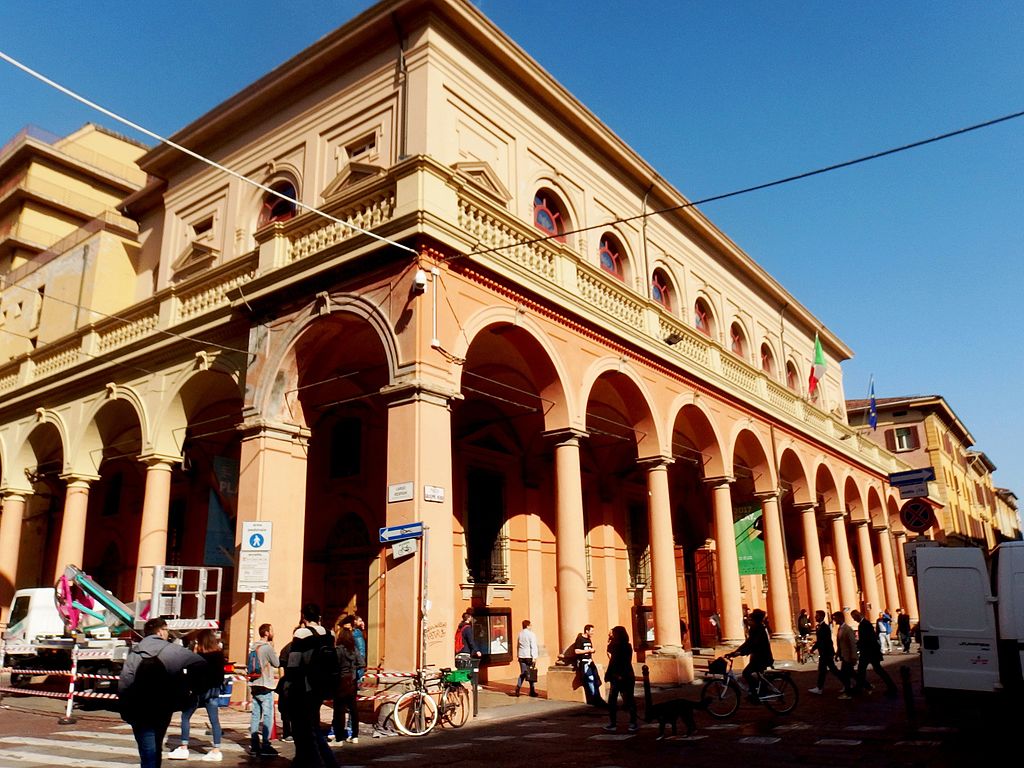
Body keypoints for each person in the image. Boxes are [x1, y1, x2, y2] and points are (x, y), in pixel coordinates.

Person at [119, 617, 206, 768]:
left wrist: (124, 705)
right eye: (166, 630)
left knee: (146, 748)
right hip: (163, 704)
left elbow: (125, 681)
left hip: (139, 705)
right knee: (157, 743)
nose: (167, 634)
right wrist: (191, 688)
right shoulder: (172, 650)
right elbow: (201, 664)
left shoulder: (135, 652)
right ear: (160, 631)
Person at [283, 603, 338, 768]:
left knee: (304, 728)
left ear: (304, 617)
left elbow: (294, 662)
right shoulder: (330, 634)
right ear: (319, 617)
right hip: (322, 686)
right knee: (313, 724)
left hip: (303, 686)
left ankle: (315, 761)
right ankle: (324, 761)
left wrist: (288, 685)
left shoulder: (301, 633)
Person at [169, 629, 226, 762]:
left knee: (185, 717)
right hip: (212, 692)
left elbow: (191, 675)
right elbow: (220, 676)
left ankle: (184, 747)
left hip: (198, 692)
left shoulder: (197, 656)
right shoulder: (218, 655)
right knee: (214, 721)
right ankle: (216, 750)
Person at [248, 623, 280, 757]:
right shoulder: (267, 648)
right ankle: (266, 744)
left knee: (255, 715)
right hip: (265, 684)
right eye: (271, 630)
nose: (273, 633)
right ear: (266, 633)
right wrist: (273, 649)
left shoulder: (253, 647)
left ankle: (254, 744)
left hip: (254, 683)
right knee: (268, 715)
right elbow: (276, 663)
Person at [727, 608, 773, 701]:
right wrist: (735, 652)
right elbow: (747, 643)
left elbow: (753, 644)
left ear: (755, 621)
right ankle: (758, 691)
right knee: (750, 674)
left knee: (746, 673)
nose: (748, 621)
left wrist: (741, 652)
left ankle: (757, 692)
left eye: (750, 619)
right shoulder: (754, 629)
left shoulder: (760, 630)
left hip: (763, 658)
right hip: (757, 657)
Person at [852, 609, 898, 697]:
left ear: (858, 615)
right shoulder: (864, 623)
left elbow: (867, 639)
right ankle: (860, 688)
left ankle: (892, 687)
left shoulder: (865, 624)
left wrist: (857, 645)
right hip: (869, 651)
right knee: (865, 670)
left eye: (854, 617)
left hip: (869, 652)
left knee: (873, 670)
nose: (854, 620)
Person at [602, 626, 639, 732]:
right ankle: (614, 723)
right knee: (613, 700)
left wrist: (619, 675)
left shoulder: (625, 646)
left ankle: (632, 722)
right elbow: (610, 656)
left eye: (614, 633)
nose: (612, 635)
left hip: (624, 675)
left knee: (628, 700)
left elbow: (621, 661)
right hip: (617, 676)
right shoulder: (619, 645)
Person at [331, 617, 361, 744]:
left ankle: (338, 738)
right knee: (353, 709)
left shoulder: (338, 650)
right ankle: (355, 736)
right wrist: (354, 670)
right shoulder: (354, 650)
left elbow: (333, 665)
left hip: (340, 682)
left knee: (339, 710)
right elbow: (362, 662)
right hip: (352, 682)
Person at [807, 610, 850, 696]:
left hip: (826, 653)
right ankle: (820, 688)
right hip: (825, 653)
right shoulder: (820, 626)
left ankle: (820, 688)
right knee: (826, 670)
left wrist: (814, 648)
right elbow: (820, 641)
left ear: (822, 617)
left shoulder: (824, 627)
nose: (815, 617)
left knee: (829, 670)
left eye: (817, 616)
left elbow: (824, 641)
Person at [573, 624, 605, 707]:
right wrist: (589, 650)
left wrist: (591, 651)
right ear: (586, 631)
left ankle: (598, 697)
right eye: (592, 631)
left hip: (590, 662)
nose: (593, 633)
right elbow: (576, 651)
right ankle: (595, 698)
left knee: (596, 679)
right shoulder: (580, 639)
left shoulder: (589, 639)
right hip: (584, 663)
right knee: (590, 679)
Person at [833, 612, 857, 700]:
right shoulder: (841, 628)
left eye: (835, 618)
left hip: (848, 656)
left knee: (845, 675)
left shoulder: (847, 629)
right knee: (852, 674)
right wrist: (837, 654)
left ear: (840, 618)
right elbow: (840, 644)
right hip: (844, 655)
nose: (834, 620)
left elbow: (852, 644)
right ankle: (867, 686)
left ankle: (848, 693)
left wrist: (854, 657)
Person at [515, 619, 539, 697]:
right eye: (530, 625)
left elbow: (518, 645)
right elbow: (533, 646)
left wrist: (518, 655)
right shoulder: (531, 634)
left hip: (521, 656)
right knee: (530, 673)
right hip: (529, 656)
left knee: (523, 673)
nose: (531, 626)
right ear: (528, 626)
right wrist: (534, 657)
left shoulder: (520, 634)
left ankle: (518, 687)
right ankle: (532, 691)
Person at [351, 615, 368, 685]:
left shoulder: (356, 631)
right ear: (355, 621)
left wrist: (363, 628)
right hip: (359, 656)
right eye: (360, 621)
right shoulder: (356, 632)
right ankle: (358, 684)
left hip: (354, 656)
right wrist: (362, 658)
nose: (362, 623)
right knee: (359, 671)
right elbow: (361, 647)